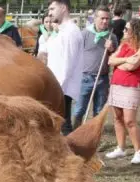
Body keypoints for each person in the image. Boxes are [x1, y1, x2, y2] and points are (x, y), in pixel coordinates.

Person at [105, 18, 140, 164]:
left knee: (130, 120)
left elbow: (133, 66)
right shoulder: (124, 44)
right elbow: (110, 60)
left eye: (127, 29)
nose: (124, 31)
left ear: (135, 31)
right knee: (117, 118)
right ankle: (121, 148)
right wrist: (125, 60)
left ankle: (139, 151)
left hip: (131, 86)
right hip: (116, 84)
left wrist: (120, 62)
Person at [72, 6, 118, 130]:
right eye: (102, 18)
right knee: (79, 109)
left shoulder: (111, 37)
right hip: (85, 77)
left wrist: (111, 49)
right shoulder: (84, 34)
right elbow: (75, 54)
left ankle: (95, 135)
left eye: (107, 19)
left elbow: (116, 58)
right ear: (95, 18)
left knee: (99, 110)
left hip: (102, 79)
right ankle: (76, 132)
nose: (105, 21)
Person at [47, 0, 84, 135]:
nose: (49, 13)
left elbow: (68, 64)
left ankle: (72, 153)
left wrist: (58, 89)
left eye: (52, 9)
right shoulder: (62, 31)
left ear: (63, 8)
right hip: (57, 85)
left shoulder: (70, 32)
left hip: (62, 87)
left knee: (64, 125)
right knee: (60, 123)